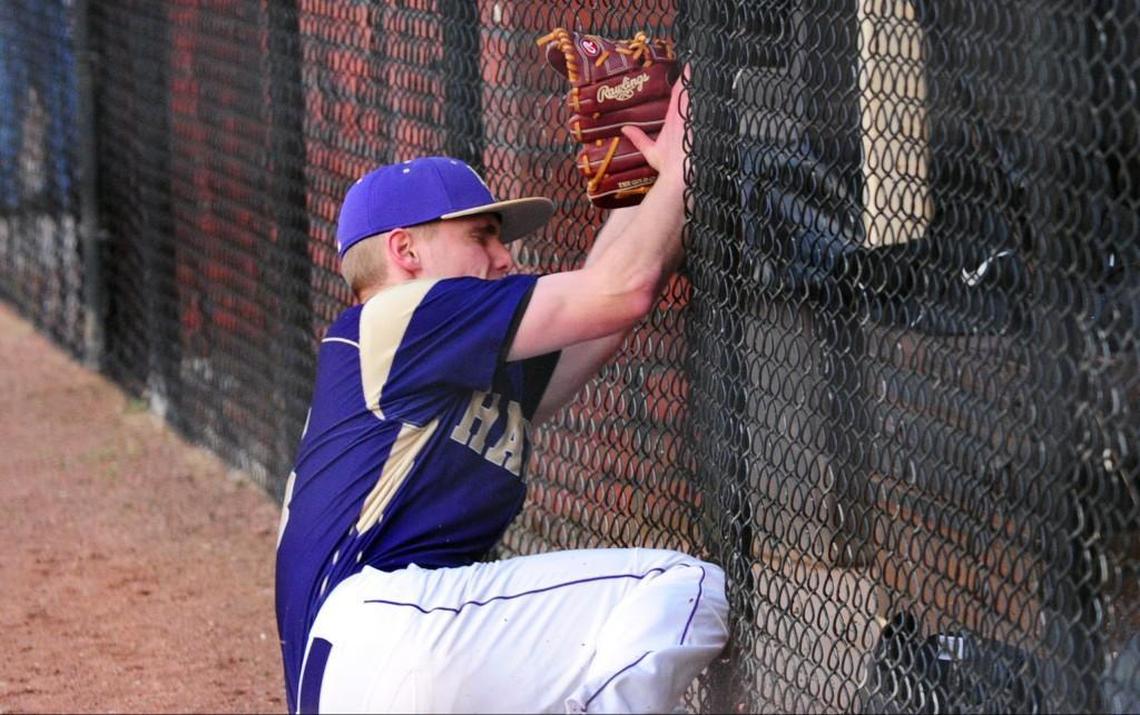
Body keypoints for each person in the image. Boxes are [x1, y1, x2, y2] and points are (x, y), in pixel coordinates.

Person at [275, 73, 728, 714]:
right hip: (391, 623)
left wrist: (646, 189)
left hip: (359, 666)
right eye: (480, 237)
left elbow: (606, 306)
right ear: (405, 250)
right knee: (680, 585)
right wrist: (688, 159)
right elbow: (619, 290)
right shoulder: (401, 314)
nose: (503, 257)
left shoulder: (439, 352)